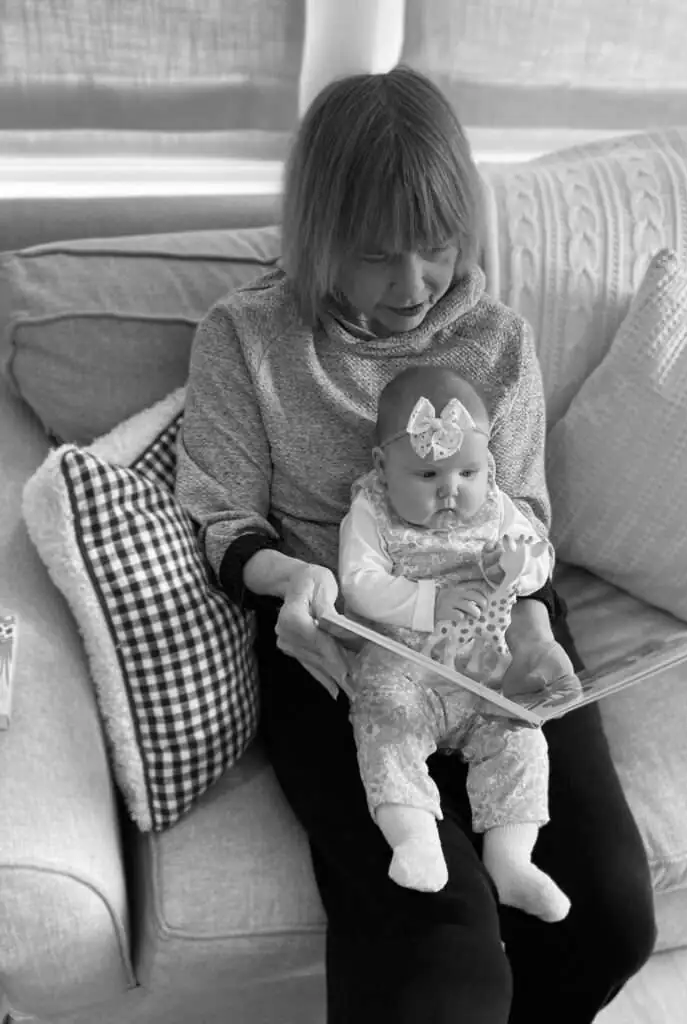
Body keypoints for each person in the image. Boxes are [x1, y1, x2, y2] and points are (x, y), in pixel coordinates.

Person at [176, 64, 656, 1024]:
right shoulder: (247, 338)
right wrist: (295, 579)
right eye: (374, 255)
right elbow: (223, 516)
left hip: (497, 614)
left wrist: (524, 623)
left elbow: (522, 515)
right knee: (440, 961)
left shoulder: (496, 340)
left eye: (436, 249)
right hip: (347, 636)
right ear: (318, 236)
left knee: (607, 916)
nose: (413, 286)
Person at [339, 365, 572, 922]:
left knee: (521, 740)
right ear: (383, 467)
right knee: (385, 728)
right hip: (404, 669)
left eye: (468, 471)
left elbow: (542, 562)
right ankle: (414, 839)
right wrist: (426, 603)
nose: (452, 489)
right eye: (426, 475)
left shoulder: (498, 506)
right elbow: (358, 585)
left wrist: (521, 566)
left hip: (486, 670)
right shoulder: (370, 510)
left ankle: (512, 862)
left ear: (487, 466)